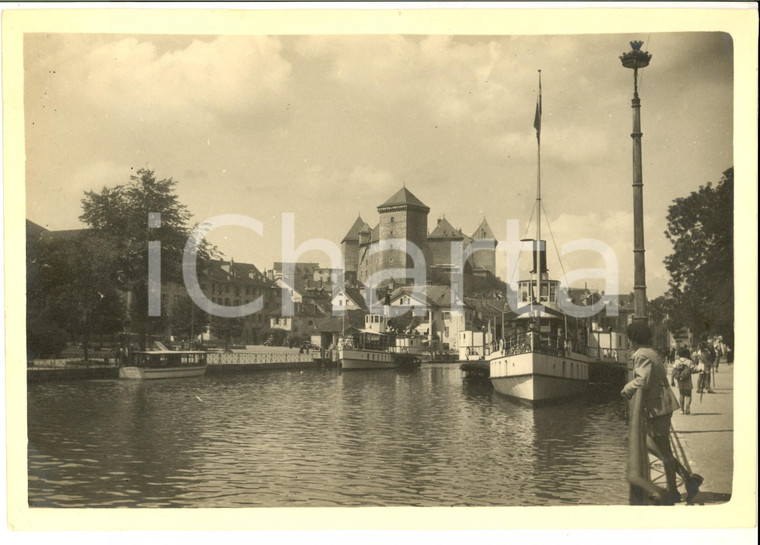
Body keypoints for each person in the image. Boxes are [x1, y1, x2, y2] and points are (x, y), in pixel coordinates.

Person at [621, 321, 702, 504]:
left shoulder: (641, 355)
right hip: (661, 406)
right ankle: (686, 482)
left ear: (633, 339)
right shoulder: (651, 352)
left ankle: (677, 488)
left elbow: (642, 380)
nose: (628, 342)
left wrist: (627, 389)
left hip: (657, 408)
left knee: (662, 451)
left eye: (629, 338)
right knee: (659, 448)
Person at [671, 346, 696, 415]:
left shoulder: (677, 362)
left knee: (681, 394)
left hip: (680, 380)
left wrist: (672, 380)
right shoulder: (689, 362)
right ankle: (687, 406)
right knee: (688, 394)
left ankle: (681, 410)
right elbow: (693, 370)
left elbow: (673, 371)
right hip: (687, 380)